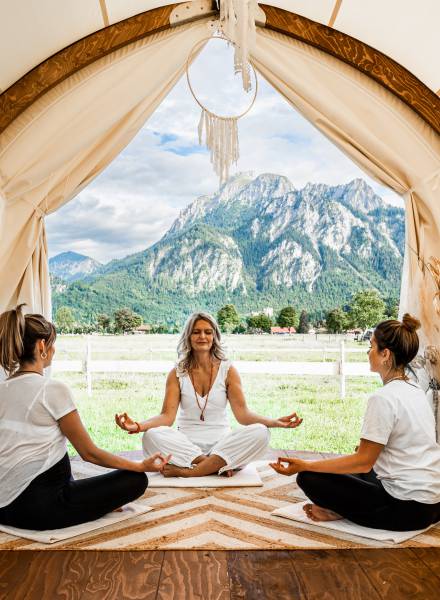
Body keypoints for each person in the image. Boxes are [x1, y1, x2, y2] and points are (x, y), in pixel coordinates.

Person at [0, 305, 169, 531]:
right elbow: (89, 454)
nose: (54, 349)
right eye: (52, 344)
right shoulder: (52, 389)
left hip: (4, 510)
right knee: (135, 480)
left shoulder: (2, 389)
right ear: (42, 346)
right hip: (41, 510)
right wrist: (140, 466)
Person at [270, 314, 440, 532]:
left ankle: (335, 510)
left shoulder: (383, 398)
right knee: (350, 470)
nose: (368, 352)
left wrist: (306, 465)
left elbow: (363, 463)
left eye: (371, 346)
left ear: (385, 354)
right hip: (434, 504)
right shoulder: (416, 390)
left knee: (309, 478)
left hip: (407, 511)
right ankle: (340, 507)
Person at [116, 311, 303, 477]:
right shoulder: (177, 373)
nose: (202, 336)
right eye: (196, 332)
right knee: (151, 436)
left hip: (222, 444)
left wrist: (275, 423)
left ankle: (191, 471)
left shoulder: (228, 370)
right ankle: (215, 465)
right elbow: (167, 417)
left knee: (261, 433)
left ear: (214, 336)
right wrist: (138, 426)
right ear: (188, 337)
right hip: (187, 444)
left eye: (208, 332)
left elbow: (243, 415)